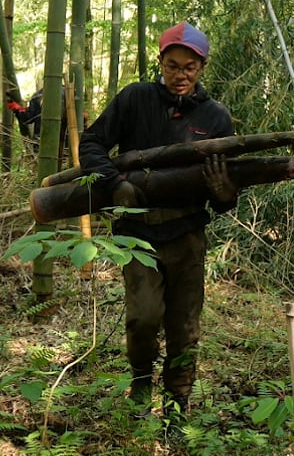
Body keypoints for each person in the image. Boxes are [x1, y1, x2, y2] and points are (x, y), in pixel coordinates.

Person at [78, 22, 238, 417]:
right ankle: (140, 384)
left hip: (187, 234)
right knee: (144, 317)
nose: (180, 75)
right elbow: (92, 142)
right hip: (137, 234)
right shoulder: (135, 98)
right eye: (172, 66)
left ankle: (178, 402)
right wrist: (115, 184)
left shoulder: (216, 117)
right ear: (161, 63)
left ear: (202, 67)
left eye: (189, 68)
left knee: (185, 326)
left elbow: (227, 195)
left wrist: (224, 193)